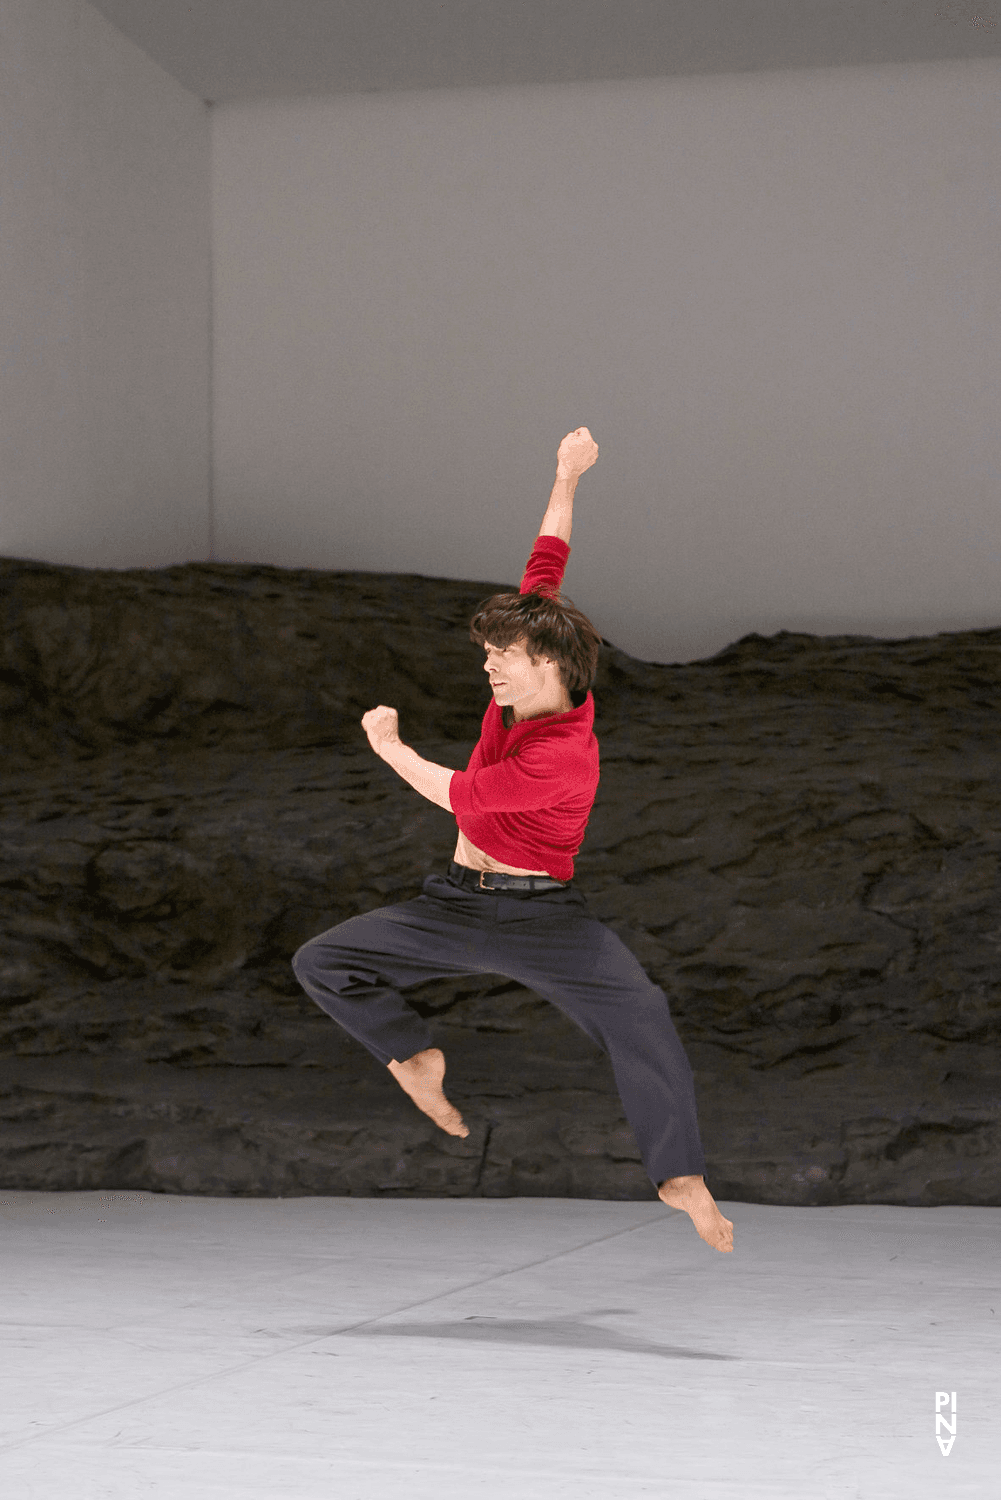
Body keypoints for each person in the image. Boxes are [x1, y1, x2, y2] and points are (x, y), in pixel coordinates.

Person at [292, 428, 734, 1252]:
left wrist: (388, 745)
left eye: (506, 656)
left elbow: (457, 797)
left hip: (544, 921)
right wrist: (566, 475)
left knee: (639, 1013)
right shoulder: (534, 660)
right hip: (457, 904)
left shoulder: (561, 754)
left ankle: (680, 1177)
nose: (490, 667)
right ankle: (412, 1059)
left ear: (554, 667)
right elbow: (547, 559)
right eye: (489, 653)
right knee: (323, 961)